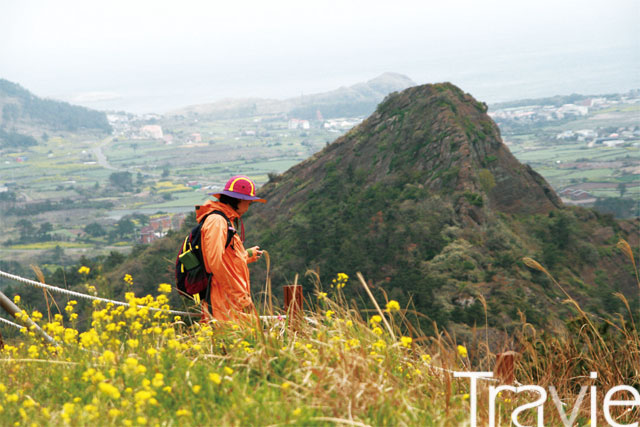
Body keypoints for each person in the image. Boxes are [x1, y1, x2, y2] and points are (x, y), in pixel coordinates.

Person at [195, 175, 266, 321]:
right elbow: (215, 263)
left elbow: (225, 259)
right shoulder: (218, 222)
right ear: (240, 200)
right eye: (249, 203)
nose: (248, 208)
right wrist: (241, 298)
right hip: (223, 302)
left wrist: (245, 256)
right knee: (229, 342)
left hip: (228, 300)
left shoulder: (224, 220)